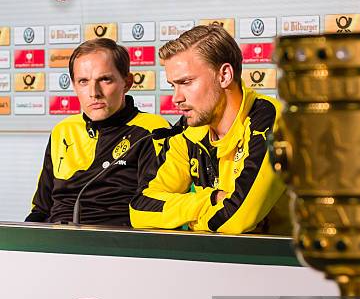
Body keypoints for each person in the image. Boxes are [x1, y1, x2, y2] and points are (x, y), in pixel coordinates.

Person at [130, 25, 288, 234]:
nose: (177, 98)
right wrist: (211, 199)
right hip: (219, 260)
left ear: (224, 75)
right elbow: (140, 210)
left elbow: (237, 220)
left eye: (186, 82)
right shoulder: (188, 130)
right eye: (172, 86)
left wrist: (183, 217)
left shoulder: (268, 118)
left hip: (290, 262)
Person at [26, 38, 170, 226]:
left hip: (118, 244)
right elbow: (41, 208)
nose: (94, 92)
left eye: (105, 79)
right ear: (74, 85)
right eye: (83, 81)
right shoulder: (63, 130)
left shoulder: (152, 131)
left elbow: (154, 210)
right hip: (57, 241)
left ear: (127, 83)